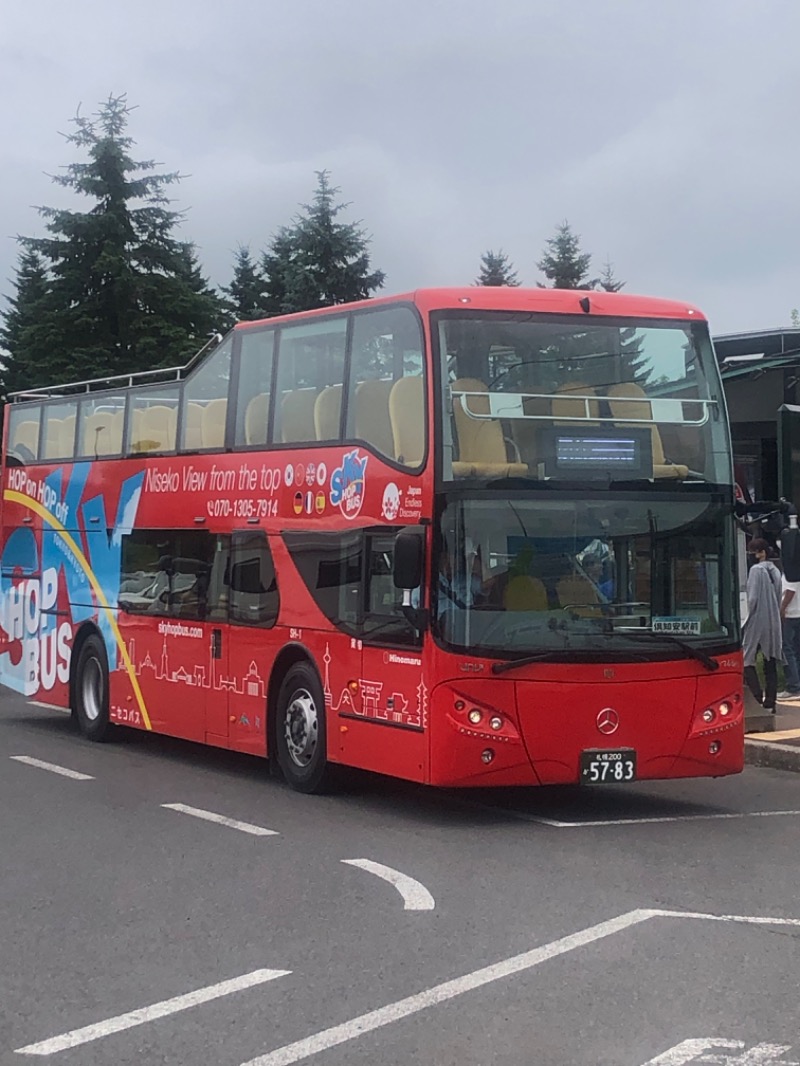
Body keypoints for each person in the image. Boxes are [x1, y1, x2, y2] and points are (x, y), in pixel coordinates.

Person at [742, 538, 783, 712]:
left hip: (757, 619)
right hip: (773, 620)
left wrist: (745, 618)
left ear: (761, 553)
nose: (751, 556)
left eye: (753, 552)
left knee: (746, 659)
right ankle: (770, 701)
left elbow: (752, 598)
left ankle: (756, 696)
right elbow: (778, 593)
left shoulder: (755, 570)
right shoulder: (775, 570)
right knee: (770, 660)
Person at [778, 564, 800, 700]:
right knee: (797, 650)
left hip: (790, 614)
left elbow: (790, 591)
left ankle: (793, 686)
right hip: (798, 613)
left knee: (787, 649)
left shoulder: (790, 572)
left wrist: (782, 609)